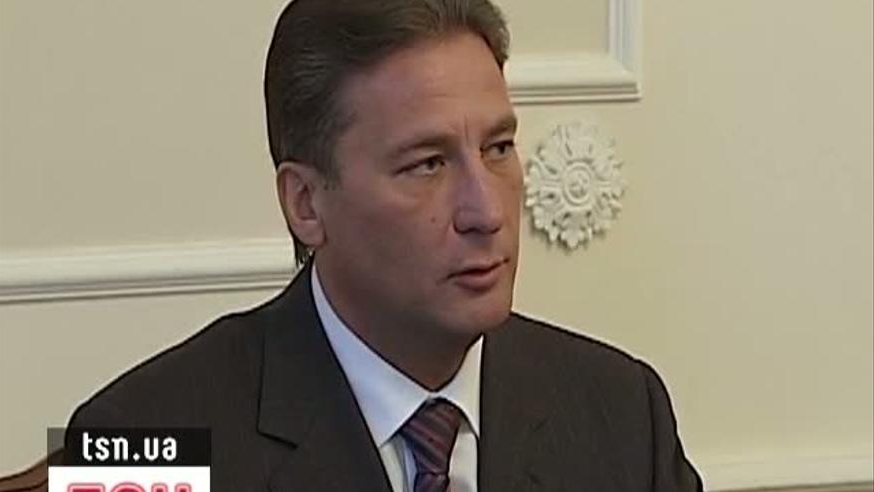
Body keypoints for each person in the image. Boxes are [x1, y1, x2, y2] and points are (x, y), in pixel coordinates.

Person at [68, 0, 703, 490]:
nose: (486, 212)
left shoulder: (621, 413)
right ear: (306, 204)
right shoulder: (144, 439)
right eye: (427, 164)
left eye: (498, 148)